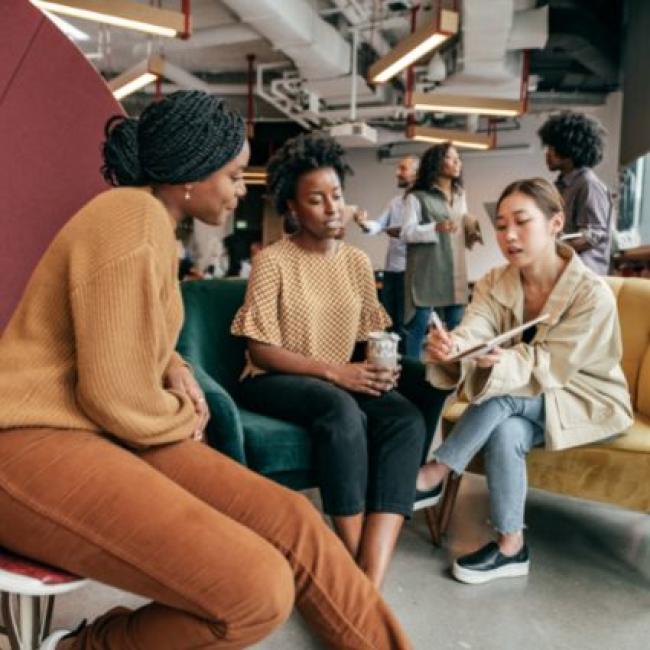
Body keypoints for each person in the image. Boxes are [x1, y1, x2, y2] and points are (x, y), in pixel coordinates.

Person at [0, 91, 411, 649]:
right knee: (257, 590)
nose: (243, 191)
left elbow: (116, 326)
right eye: (235, 175)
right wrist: (183, 417)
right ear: (191, 174)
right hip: (27, 440)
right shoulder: (132, 217)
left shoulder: (149, 223)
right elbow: (114, 396)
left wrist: (174, 366)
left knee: (294, 520)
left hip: (99, 431)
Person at [231, 133, 428, 589]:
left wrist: (383, 364)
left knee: (406, 420)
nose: (332, 207)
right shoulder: (273, 261)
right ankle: (355, 572)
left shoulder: (358, 262)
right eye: (316, 200)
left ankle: (367, 580)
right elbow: (259, 349)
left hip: (337, 377)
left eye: (336, 195)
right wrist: (336, 372)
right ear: (293, 209)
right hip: (272, 377)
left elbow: (368, 334)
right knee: (340, 410)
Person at [416, 177, 633, 585]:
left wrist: (497, 364)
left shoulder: (592, 294)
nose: (508, 235)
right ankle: (511, 547)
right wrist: (453, 344)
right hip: (530, 395)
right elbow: (476, 327)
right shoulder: (496, 280)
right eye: (500, 225)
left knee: (505, 397)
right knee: (506, 430)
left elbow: (552, 364)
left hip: (587, 398)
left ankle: (436, 471)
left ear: (555, 223)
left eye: (521, 221)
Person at [400, 142, 482, 358]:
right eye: (451, 157)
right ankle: (412, 375)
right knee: (418, 328)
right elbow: (406, 233)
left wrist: (471, 228)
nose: (458, 162)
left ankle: (452, 374)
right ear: (436, 163)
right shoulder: (416, 197)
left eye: (459, 158)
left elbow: (460, 221)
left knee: (457, 328)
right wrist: (434, 227)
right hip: (427, 271)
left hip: (454, 270)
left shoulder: (460, 193)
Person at [538, 110, 613, 275]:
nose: (547, 153)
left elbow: (593, 236)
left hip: (585, 276)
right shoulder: (561, 185)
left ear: (569, 149)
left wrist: (554, 249)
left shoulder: (588, 184)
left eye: (552, 147)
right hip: (566, 271)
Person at [354, 155, 419, 338]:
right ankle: (390, 363)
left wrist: (400, 231)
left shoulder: (423, 201)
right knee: (388, 323)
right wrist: (363, 223)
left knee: (406, 326)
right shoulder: (395, 202)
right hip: (392, 271)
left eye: (403, 168)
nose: (397, 172)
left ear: (417, 173)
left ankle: (405, 364)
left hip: (412, 273)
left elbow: (423, 231)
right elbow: (378, 226)